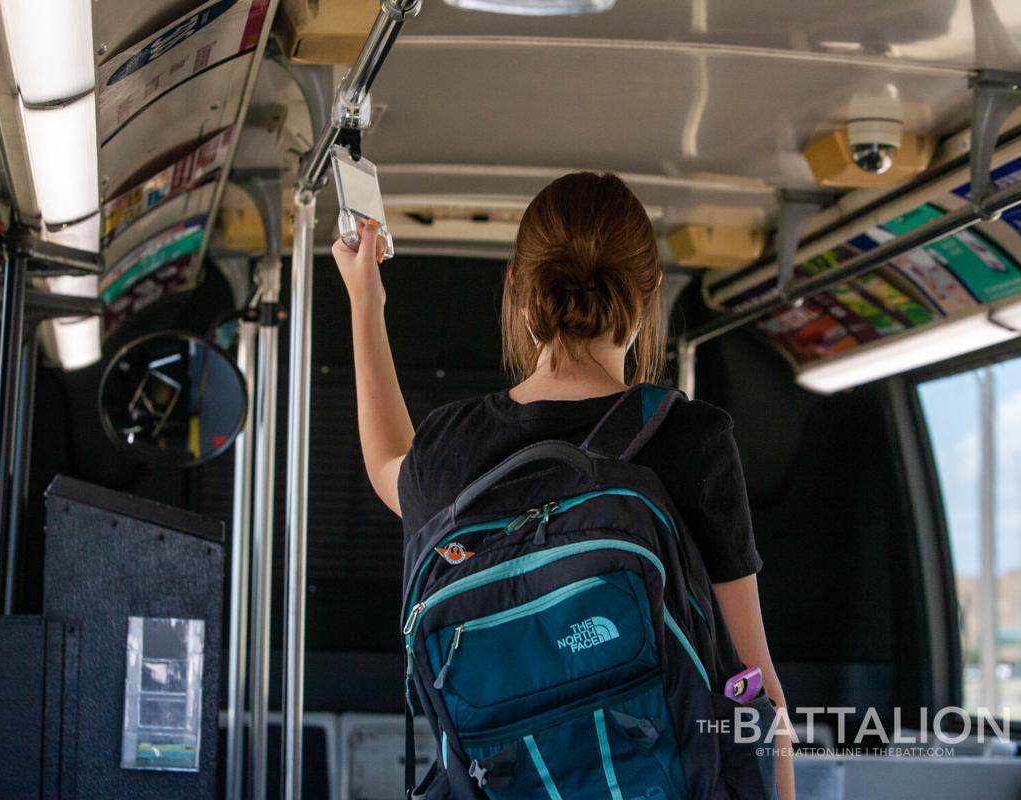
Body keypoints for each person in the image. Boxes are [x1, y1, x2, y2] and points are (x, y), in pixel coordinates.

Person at [332, 171, 795, 799]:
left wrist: (366, 301)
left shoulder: (445, 450)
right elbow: (751, 689)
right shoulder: (693, 441)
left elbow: (386, 459)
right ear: (650, 294)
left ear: (517, 289)